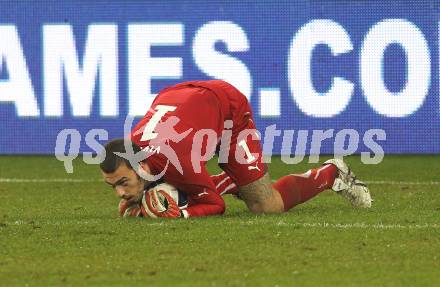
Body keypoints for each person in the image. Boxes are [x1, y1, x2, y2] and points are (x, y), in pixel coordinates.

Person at [100, 80, 372, 218]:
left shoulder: (177, 162)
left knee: (265, 206)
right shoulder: (134, 151)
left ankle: (332, 173)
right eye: (114, 187)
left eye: (123, 183)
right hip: (184, 102)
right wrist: (134, 204)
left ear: (142, 166)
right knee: (178, 182)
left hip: (226, 107)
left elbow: (215, 206)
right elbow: (140, 187)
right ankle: (228, 180)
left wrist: (182, 213)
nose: (120, 193)